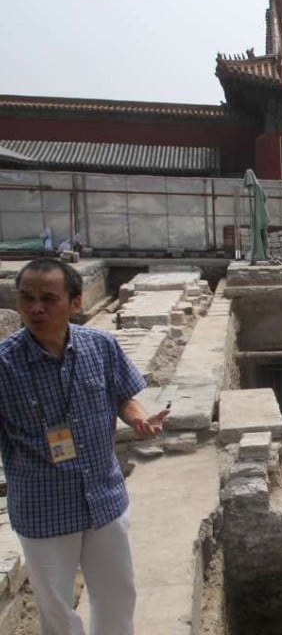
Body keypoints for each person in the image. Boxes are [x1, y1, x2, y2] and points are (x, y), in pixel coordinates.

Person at [0, 258, 169, 634]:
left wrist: (138, 417)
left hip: (104, 498)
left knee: (117, 596)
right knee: (57, 610)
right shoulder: (5, 365)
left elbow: (124, 396)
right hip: (43, 507)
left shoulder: (101, 346)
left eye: (48, 298)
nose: (35, 308)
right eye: (26, 298)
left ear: (75, 302)